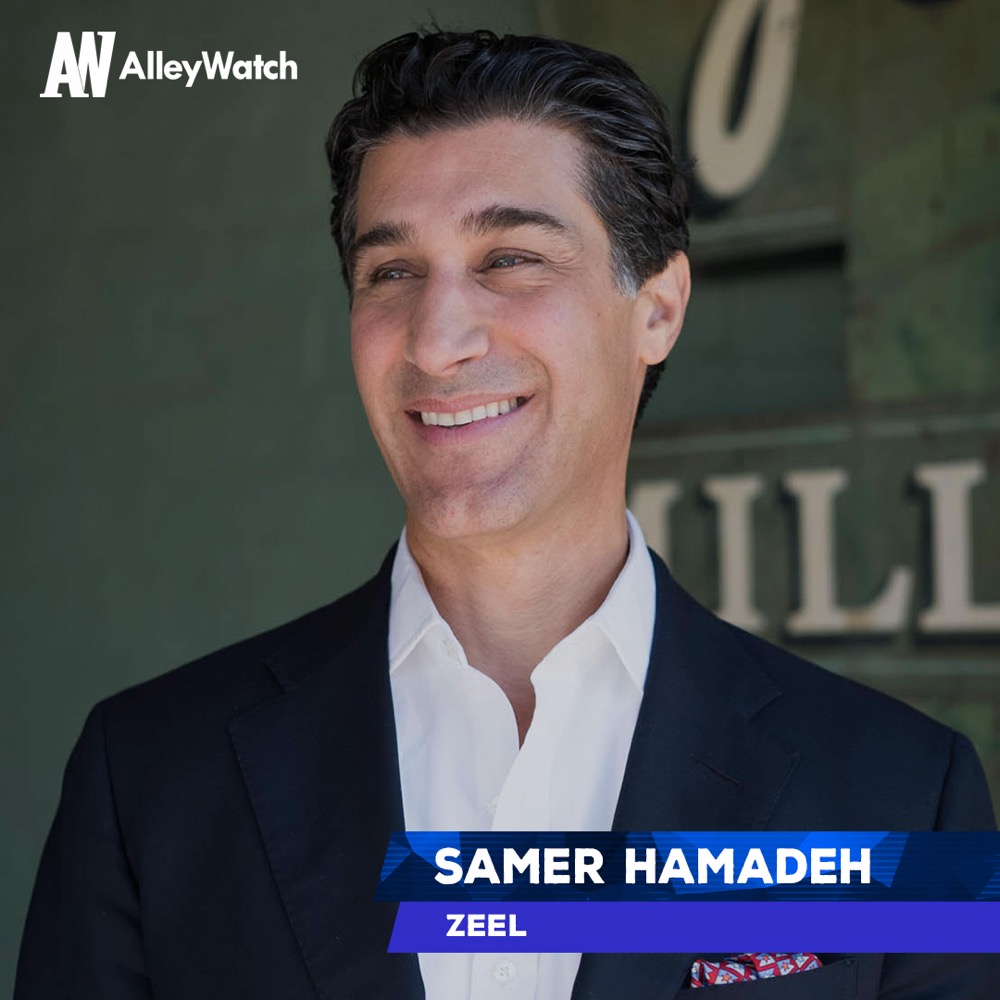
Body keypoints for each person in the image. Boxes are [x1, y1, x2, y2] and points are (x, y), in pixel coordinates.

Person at [15, 28, 997, 1000]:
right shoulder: (149, 779)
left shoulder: (905, 798)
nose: (435, 339)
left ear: (657, 309)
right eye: (391, 271)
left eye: (512, 257)